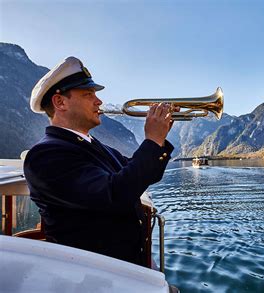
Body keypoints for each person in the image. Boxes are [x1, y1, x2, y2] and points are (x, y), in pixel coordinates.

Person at [23, 56, 175, 267]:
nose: (99, 101)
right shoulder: (45, 155)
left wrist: (159, 140)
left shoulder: (95, 146)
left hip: (126, 265)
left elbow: (143, 175)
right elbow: (114, 194)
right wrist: (152, 140)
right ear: (60, 102)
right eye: (88, 94)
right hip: (94, 275)